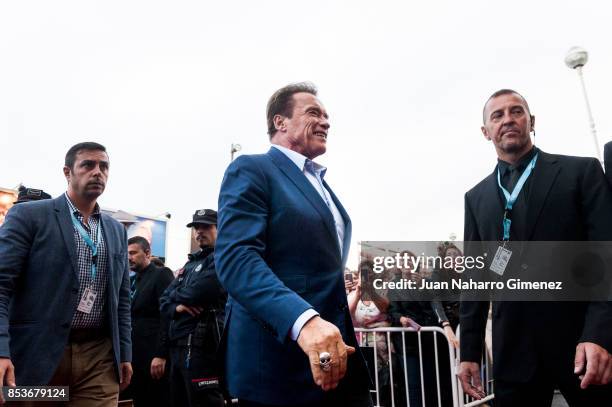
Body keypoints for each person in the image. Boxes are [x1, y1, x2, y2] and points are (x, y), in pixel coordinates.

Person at [215, 82, 371, 406]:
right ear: (280, 122)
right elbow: (237, 259)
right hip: (279, 367)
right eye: (314, 112)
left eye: (327, 116)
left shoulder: (321, 186)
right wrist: (304, 321)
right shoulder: (252, 169)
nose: (326, 122)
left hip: (335, 361)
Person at [459, 89, 612, 406]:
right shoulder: (476, 199)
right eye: (497, 115)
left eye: (517, 111)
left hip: (581, 346)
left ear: (531, 121)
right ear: (486, 131)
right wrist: (469, 352)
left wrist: (599, 334)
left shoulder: (580, 173)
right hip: (514, 354)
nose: (508, 120)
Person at [0, 142, 132, 406]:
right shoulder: (29, 216)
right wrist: (1, 350)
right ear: (67, 172)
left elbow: (122, 298)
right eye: (88, 165)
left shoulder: (116, 230)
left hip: (99, 357)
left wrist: (125, 353)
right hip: (37, 355)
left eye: (104, 166)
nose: (98, 172)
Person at [160, 209, 227, 407]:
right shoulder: (190, 263)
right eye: (196, 227)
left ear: (219, 228)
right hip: (178, 346)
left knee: (204, 401)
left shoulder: (222, 258)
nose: (199, 231)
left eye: (206, 226)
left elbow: (200, 292)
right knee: (178, 400)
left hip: (203, 346)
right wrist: (177, 307)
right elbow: (163, 300)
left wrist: (176, 296)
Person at [125, 236, 173, 406]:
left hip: (154, 356)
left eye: (133, 253)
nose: (129, 257)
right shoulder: (133, 281)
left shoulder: (161, 275)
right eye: (126, 253)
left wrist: (161, 354)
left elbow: (168, 316)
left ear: (147, 253)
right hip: (136, 356)